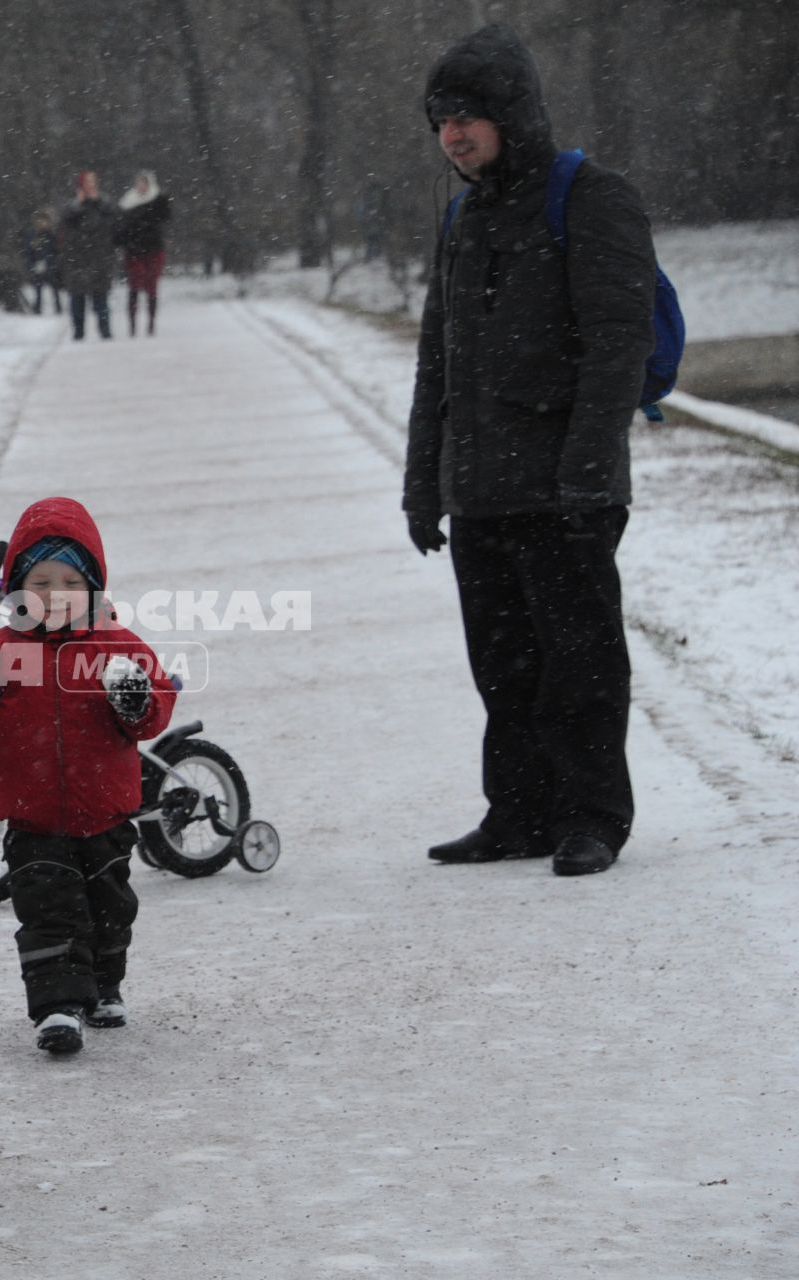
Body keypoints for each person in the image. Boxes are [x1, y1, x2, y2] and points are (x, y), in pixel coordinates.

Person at [403, 25, 656, 878]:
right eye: (442, 121)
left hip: (563, 490)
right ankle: (518, 813)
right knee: (503, 672)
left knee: (578, 665)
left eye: (469, 117)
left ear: (512, 114)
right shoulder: (463, 215)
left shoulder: (590, 197)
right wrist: (422, 486)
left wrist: (586, 477)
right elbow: (439, 359)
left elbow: (617, 346)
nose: (454, 135)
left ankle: (593, 815)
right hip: (481, 491)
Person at [0, 497, 176, 1055]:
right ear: (16, 589)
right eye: (40, 580)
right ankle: (57, 1005)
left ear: (92, 589)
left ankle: (105, 985)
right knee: (47, 912)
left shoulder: (118, 647)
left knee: (110, 907)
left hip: (105, 810)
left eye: (67, 581)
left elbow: (153, 713)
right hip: (32, 816)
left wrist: (135, 702)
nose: (54, 593)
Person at [56, 171, 121, 340]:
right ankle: (78, 332)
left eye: (93, 181)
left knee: (101, 298)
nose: (91, 185)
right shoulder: (71, 206)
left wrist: (98, 203)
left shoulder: (104, 204)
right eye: (87, 181)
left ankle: (105, 330)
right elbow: (65, 225)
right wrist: (79, 204)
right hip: (77, 260)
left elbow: (114, 222)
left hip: (100, 258)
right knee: (77, 299)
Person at [117, 170, 172, 336]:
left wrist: (162, 199)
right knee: (134, 285)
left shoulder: (157, 201)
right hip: (134, 251)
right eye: (138, 182)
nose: (141, 186)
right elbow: (121, 228)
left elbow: (166, 216)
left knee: (152, 286)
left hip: (153, 249)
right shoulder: (127, 202)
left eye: (144, 183)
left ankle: (151, 323)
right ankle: (132, 325)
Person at [19, 207, 62, 315]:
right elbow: (27, 252)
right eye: (40, 221)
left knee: (54, 289)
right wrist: (32, 266)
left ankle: (58, 308)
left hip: (49, 266)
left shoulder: (50, 235)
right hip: (37, 266)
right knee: (38, 290)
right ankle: (37, 309)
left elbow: (55, 251)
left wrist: (52, 264)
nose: (43, 223)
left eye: (45, 221)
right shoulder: (31, 235)